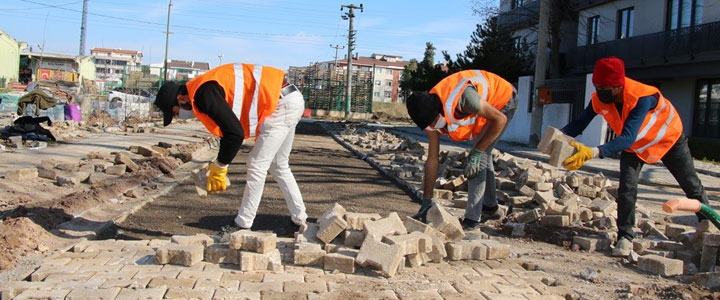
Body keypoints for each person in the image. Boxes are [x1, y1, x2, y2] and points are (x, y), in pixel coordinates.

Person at [559, 56, 709, 256]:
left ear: (619, 85)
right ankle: (625, 237)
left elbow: (628, 137)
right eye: (597, 86)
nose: (600, 91)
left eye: (605, 87)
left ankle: (710, 227)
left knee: (691, 185)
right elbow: (579, 124)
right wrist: (557, 138)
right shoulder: (598, 98)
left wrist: (593, 152)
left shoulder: (642, 97)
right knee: (627, 189)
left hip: (667, 139)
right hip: (636, 146)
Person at [154, 63, 307, 231]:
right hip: (289, 98)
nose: (179, 116)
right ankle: (299, 219)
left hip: (280, 104)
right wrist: (220, 163)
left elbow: (235, 133)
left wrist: (220, 166)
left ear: (181, 99)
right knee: (278, 164)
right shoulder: (204, 87)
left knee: (256, 165)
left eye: (176, 112)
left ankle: (243, 224)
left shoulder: (203, 94)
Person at [405, 69, 518, 230]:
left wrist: (477, 152)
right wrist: (426, 201)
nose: (433, 128)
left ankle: (472, 220)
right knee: (482, 153)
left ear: (438, 111)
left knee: (478, 155)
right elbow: (432, 159)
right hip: (485, 107)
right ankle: (491, 208)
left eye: (434, 122)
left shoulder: (464, 99)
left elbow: (500, 119)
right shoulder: (429, 115)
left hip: (504, 100)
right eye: (429, 126)